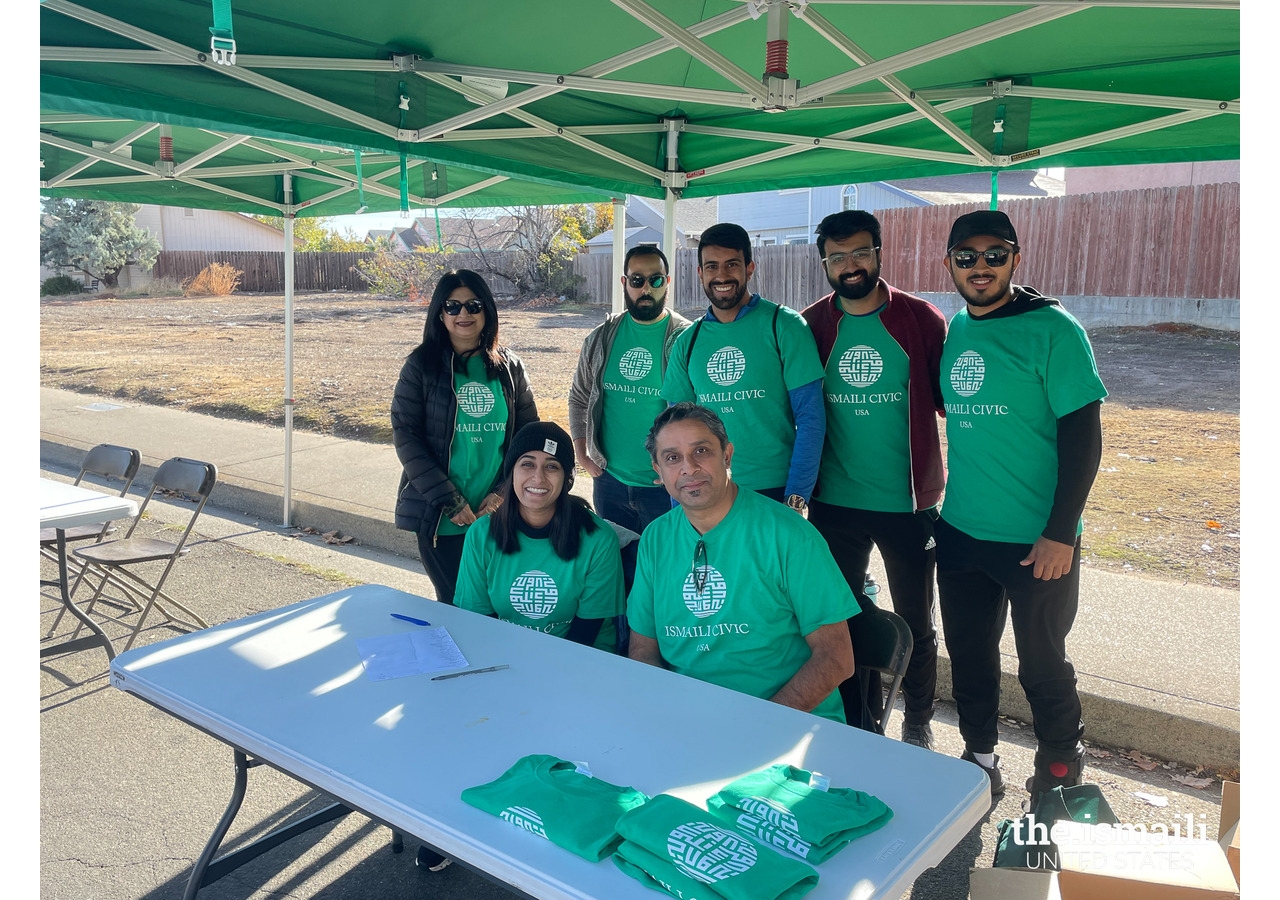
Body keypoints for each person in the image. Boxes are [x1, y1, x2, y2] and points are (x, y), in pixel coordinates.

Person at [935, 210, 1106, 800]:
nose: (979, 267)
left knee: (1042, 662)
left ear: (1015, 259)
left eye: (993, 254)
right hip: (960, 532)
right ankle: (979, 757)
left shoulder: (1055, 330)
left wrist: (1061, 531)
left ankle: (1060, 763)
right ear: (950, 262)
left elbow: (1084, 439)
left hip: (1039, 541)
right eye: (966, 257)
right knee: (970, 655)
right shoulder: (957, 327)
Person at [800, 210, 947, 749]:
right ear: (825, 264)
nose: (849, 265)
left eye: (860, 252)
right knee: (842, 618)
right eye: (837, 257)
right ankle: (860, 721)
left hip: (908, 503)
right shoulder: (811, 326)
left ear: (880, 253)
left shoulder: (921, 320)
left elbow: (956, 403)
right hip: (834, 503)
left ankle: (918, 722)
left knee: (916, 620)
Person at [626, 402, 857, 723]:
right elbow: (643, 650)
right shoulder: (655, 538)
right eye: (672, 458)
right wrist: (669, 713)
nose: (688, 468)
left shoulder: (789, 535)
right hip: (687, 719)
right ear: (658, 470)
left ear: (727, 455)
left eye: (701, 451)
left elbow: (835, 658)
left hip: (785, 721)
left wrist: (759, 726)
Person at [391, 269, 539, 605]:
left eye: (473, 305)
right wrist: (451, 502)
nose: (463, 315)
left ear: (487, 311)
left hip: (497, 516)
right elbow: (407, 437)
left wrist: (502, 494)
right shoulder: (420, 367)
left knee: (501, 604)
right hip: (445, 519)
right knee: (457, 606)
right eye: (453, 306)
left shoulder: (510, 369)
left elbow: (527, 438)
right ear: (440, 314)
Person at [661, 223, 825, 513]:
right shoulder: (687, 342)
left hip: (774, 491)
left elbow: (811, 418)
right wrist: (679, 504)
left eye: (732, 265)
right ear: (700, 273)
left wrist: (796, 497)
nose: (721, 276)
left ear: (750, 268)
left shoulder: (783, 326)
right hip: (708, 488)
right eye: (711, 266)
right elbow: (676, 433)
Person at [568, 244, 691, 594]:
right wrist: (581, 454)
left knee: (667, 574)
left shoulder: (685, 338)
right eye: (638, 280)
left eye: (655, 279)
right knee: (616, 577)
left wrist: (676, 468)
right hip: (610, 482)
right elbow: (579, 397)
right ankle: (620, 648)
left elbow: (697, 414)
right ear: (625, 281)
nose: (646, 288)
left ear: (667, 281)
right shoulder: (601, 338)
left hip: (664, 488)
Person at [455, 420, 625, 653]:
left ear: (567, 478)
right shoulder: (481, 534)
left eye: (552, 466)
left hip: (582, 657)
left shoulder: (598, 539)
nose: (538, 478)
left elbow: (587, 629)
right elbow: (479, 620)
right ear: (511, 473)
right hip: (504, 654)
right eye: (527, 464)